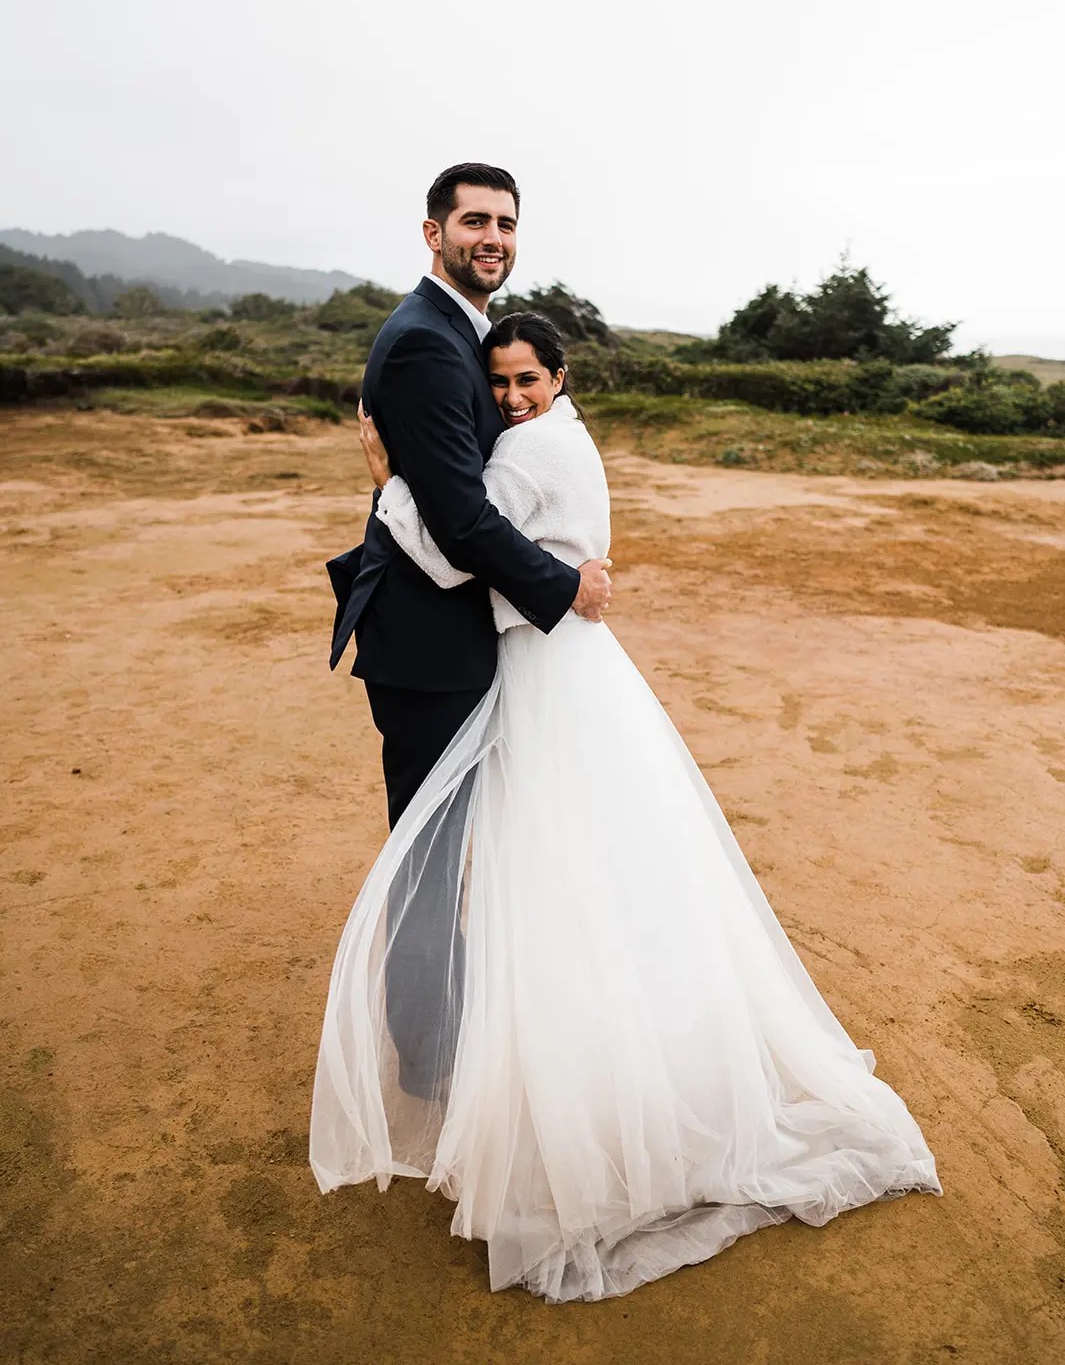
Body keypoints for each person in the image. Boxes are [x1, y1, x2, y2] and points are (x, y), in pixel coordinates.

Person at [309, 310, 942, 1304]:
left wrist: (388, 472)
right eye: (500, 382)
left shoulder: (528, 449)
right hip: (569, 666)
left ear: (561, 375)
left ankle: (579, 1096)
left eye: (527, 378)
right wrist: (563, 572)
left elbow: (444, 551)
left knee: (555, 874)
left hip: (542, 671)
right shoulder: (565, 437)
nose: (511, 396)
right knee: (597, 868)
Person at [323, 163, 612, 1099]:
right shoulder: (420, 343)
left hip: (451, 633)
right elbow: (458, 520)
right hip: (427, 644)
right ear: (432, 233)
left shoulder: (467, 334)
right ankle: (432, 1060)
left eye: (506, 222)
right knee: (429, 850)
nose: (492, 236)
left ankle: (450, 1027)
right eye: (474, 221)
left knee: (450, 843)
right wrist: (563, 585)